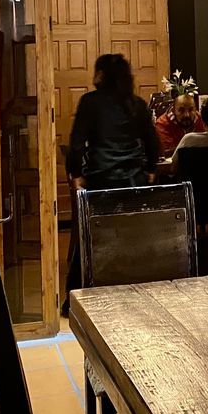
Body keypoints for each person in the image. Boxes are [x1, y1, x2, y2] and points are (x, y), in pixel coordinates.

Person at [62, 53, 159, 312]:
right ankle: (132, 293)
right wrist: (149, 169)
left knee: (91, 236)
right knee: (132, 238)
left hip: (101, 179)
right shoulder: (136, 104)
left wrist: (76, 174)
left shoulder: (90, 103)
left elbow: (75, 143)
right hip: (133, 183)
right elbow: (153, 142)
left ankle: (75, 297)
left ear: (101, 75)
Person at [155, 92, 206, 157]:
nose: (186, 115)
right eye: (181, 110)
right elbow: (168, 152)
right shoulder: (162, 123)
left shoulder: (200, 119)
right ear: (173, 111)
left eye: (190, 110)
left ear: (195, 109)